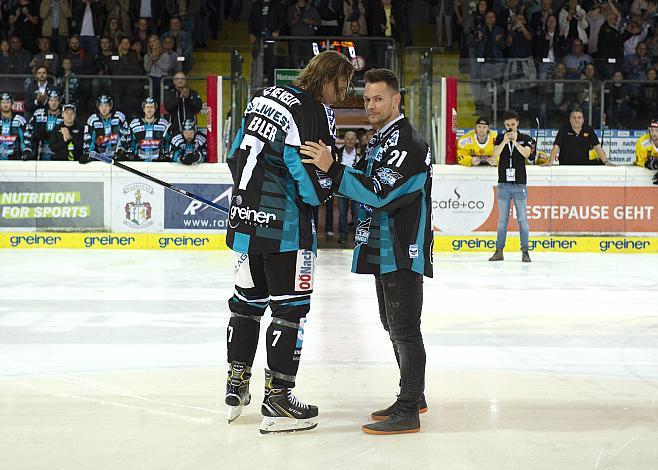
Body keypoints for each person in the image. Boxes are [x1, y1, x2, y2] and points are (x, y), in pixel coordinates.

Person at [224, 50, 353, 434]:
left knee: (245, 307)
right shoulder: (313, 111)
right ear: (327, 78)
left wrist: (249, 202)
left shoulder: (263, 97)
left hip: (245, 225)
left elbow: (234, 155)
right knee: (289, 312)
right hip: (285, 231)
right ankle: (278, 399)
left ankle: (236, 387)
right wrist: (329, 184)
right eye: (342, 85)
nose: (343, 95)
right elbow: (311, 186)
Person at [300, 68, 433, 435]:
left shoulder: (408, 143)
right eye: (366, 99)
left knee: (405, 329)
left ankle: (409, 409)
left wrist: (334, 168)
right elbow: (357, 184)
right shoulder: (380, 140)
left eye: (378, 99)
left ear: (395, 100)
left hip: (400, 249)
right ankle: (413, 394)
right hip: (382, 247)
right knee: (393, 325)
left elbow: (379, 192)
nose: (370, 106)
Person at [489, 109, 533, 263]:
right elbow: (495, 154)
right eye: (507, 125)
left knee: (522, 219)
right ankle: (499, 250)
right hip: (503, 185)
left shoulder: (524, 138)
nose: (510, 128)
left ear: (517, 123)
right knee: (502, 219)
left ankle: (525, 251)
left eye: (513, 124)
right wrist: (505, 142)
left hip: (519, 184)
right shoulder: (500, 138)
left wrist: (515, 142)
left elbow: (527, 154)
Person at [546, 107, 612, 166]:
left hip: (583, 168)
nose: (577, 120)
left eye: (579, 117)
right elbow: (556, 146)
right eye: (574, 117)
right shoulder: (564, 129)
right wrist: (550, 162)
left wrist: (605, 162)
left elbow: (597, 147)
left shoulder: (588, 129)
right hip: (565, 167)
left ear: (583, 120)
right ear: (570, 120)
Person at [82, 94, 129, 163]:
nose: (104, 109)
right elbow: (89, 140)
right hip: (98, 159)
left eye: (106, 106)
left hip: (118, 160)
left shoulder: (119, 117)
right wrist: (88, 154)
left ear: (110, 106)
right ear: (98, 107)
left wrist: (122, 151)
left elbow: (125, 136)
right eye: (101, 106)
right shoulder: (93, 119)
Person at [335, 131, 360, 243]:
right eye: (348, 139)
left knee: (357, 212)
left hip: (356, 186)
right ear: (344, 140)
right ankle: (343, 235)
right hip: (342, 186)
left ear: (355, 141)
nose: (350, 141)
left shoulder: (361, 153)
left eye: (352, 139)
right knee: (342, 212)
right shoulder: (338, 153)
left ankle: (357, 235)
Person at [128, 97, 171, 162]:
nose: (149, 110)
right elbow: (131, 143)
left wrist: (166, 154)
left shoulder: (163, 124)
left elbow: (168, 142)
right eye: (147, 107)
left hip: (159, 162)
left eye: (151, 107)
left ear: (155, 109)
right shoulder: (134, 124)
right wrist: (131, 154)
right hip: (139, 162)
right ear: (143, 109)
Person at [25, 89, 63, 160]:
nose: (53, 103)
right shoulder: (39, 113)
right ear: (48, 101)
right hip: (40, 153)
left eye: (56, 100)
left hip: (59, 155)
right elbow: (28, 131)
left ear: (59, 101)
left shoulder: (65, 115)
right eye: (51, 100)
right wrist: (28, 147)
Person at [0, 93, 30, 160]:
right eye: (3, 102)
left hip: (14, 161)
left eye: (8, 102)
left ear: (12, 104)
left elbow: (25, 139)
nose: (5, 105)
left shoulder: (19, 120)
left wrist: (25, 151)